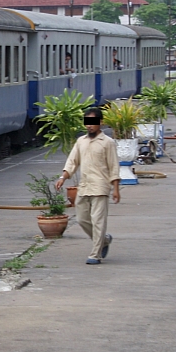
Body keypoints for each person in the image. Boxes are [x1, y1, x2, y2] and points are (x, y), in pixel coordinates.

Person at [54, 107, 120, 265]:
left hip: (100, 187)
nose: (89, 125)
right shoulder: (81, 141)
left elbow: (114, 166)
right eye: (87, 122)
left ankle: (95, 255)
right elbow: (72, 161)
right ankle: (104, 240)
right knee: (82, 219)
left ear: (100, 122)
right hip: (84, 187)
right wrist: (63, 177)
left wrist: (116, 189)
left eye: (92, 122)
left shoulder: (108, 143)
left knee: (98, 221)